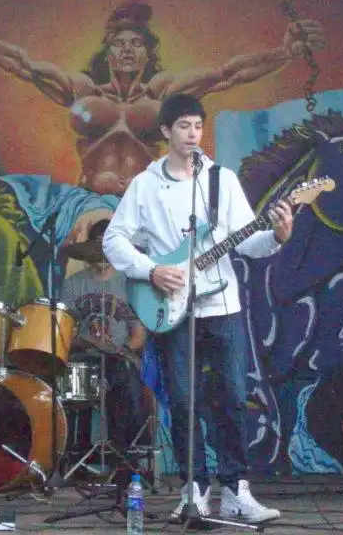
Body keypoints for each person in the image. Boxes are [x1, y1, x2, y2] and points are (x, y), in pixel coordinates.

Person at [102, 93, 292, 524]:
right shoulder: (146, 185)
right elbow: (113, 239)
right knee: (183, 402)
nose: (193, 134)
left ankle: (237, 490)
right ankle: (195, 490)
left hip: (222, 306)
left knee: (232, 398)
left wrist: (277, 237)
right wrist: (151, 270)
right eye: (184, 126)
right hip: (172, 309)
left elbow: (247, 241)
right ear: (166, 132)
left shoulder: (221, 180)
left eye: (198, 126)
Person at [0, 0, 324, 196]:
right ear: (108, 53)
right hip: (90, 202)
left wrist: (284, 53)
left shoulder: (164, 92)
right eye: (119, 43)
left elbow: (227, 74)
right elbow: (25, 66)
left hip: (145, 202)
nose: (128, 49)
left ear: (147, 53)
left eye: (136, 44)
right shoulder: (83, 90)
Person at [59, 219, 149, 452]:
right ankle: (76, 454)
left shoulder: (129, 284)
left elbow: (139, 333)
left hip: (119, 357)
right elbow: (64, 331)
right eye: (97, 247)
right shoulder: (73, 285)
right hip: (84, 357)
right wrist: (85, 341)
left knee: (124, 378)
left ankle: (127, 455)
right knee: (72, 378)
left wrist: (122, 350)